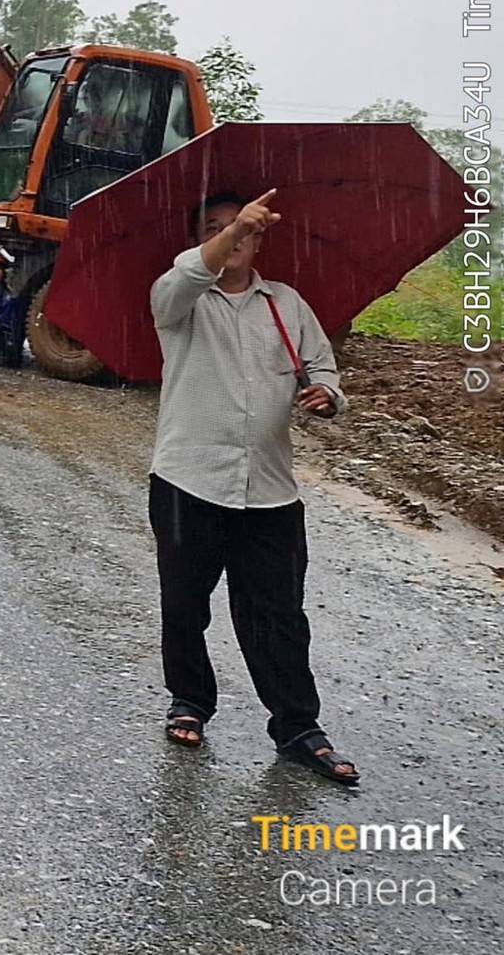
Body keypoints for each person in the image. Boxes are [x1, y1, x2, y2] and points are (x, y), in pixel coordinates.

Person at [148, 188, 358, 785]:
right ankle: (190, 700)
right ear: (200, 238)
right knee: (185, 603)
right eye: (217, 228)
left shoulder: (286, 306)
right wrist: (230, 227)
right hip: (189, 479)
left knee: (279, 613)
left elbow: (323, 368)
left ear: (263, 240)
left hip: (270, 490)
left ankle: (297, 727)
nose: (235, 237)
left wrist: (327, 397)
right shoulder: (180, 298)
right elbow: (186, 277)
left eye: (246, 230)